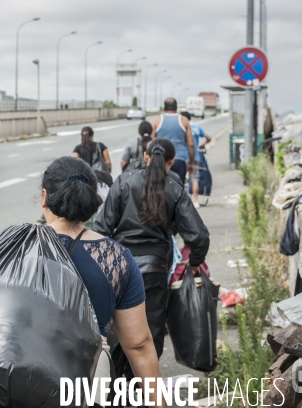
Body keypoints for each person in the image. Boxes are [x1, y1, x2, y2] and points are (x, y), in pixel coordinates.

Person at [41, 156, 162, 407]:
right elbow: (138, 345)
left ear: (45, 197)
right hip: (89, 378)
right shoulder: (117, 258)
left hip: (25, 372)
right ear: (92, 201)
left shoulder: (19, 248)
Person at [93, 138, 210, 378]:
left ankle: (115, 390)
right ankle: (142, 392)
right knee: (149, 337)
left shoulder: (124, 182)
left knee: (115, 333)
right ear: (171, 161)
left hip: (119, 269)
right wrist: (195, 263)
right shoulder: (175, 189)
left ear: (145, 157)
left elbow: (101, 228)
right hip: (154, 273)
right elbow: (199, 236)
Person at [150, 97, 195, 184]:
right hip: (179, 160)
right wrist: (191, 163)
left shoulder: (156, 121)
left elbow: (150, 143)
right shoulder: (184, 121)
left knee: (160, 188)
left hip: (161, 160)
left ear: (164, 108)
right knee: (178, 190)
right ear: (176, 107)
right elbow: (191, 144)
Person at [181, 111, 212, 209]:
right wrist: (202, 144)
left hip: (182, 156)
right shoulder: (196, 128)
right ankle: (195, 201)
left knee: (179, 180)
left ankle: (181, 201)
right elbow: (209, 138)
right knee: (194, 179)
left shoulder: (182, 128)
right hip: (195, 157)